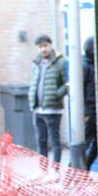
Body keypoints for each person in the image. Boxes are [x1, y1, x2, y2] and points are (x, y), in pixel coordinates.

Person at [28, 34, 69, 166]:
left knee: (54, 141)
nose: (43, 49)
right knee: (41, 141)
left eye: (45, 46)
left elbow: (68, 84)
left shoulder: (61, 62)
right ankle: (43, 169)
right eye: (40, 47)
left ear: (51, 45)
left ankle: (55, 170)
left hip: (53, 110)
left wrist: (56, 95)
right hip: (37, 109)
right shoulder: (37, 63)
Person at [82, 36, 98, 170]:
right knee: (86, 144)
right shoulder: (85, 66)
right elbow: (80, 91)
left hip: (95, 111)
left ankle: (84, 169)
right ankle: (76, 172)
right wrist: (85, 112)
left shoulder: (94, 65)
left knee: (97, 145)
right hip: (90, 112)